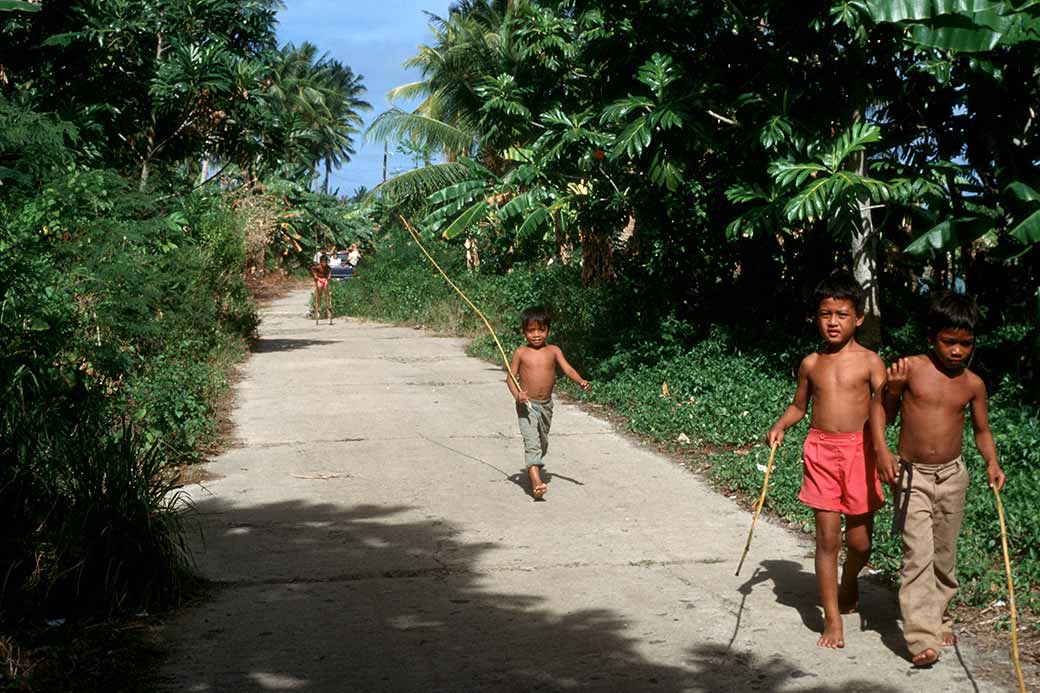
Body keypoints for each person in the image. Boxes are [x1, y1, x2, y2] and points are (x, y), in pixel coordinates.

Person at [870, 291, 1005, 668]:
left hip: (953, 477)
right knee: (918, 556)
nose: (958, 351)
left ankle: (939, 614)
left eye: (966, 344)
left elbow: (981, 431)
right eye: (949, 342)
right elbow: (880, 411)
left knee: (944, 556)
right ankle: (921, 638)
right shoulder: (909, 369)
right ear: (931, 336)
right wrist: (882, 451)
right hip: (912, 477)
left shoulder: (972, 384)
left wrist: (991, 461)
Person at [765, 272, 887, 649]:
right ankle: (832, 620)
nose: (833, 322)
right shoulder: (811, 363)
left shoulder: (871, 362)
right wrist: (781, 424)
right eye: (825, 314)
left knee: (861, 543)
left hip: (860, 454)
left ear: (859, 318)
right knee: (827, 540)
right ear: (815, 317)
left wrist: (884, 450)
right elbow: (799, 406)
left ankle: (849, 581)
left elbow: (884, 410)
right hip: (820, 451)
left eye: (842, 314)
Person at [506, 306, 591, 500]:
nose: (536, 335)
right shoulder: (521, 352)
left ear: (548, 331)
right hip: (526, 406)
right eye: (531, 330)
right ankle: (536, 483)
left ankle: (534, 469)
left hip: (546, 405)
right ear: (524, 332)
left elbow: (567, 369)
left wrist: (580, 381)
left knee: (542, 443)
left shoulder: (553, 351)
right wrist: (517, 394)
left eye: (541, 330)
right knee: (532, 443)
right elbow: (510, 378)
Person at [309, 254, 333, 325]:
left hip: (325, 279)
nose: (324, 264)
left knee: (326, 291)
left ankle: (328, 305)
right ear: (320, 262)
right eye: (323, 262)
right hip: (319, 279)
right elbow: (312, 269)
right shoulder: (318, 267)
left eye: (325, 262)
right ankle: (318, 307)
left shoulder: (328, 267)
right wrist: (315, 276)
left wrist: (329, 276)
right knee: (319, 291)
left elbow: (330, 271)